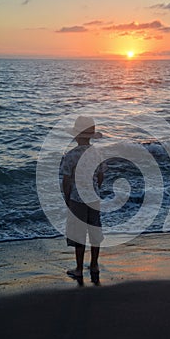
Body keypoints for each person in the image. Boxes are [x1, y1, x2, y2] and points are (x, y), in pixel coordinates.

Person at [61, 116, 104, 285]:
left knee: (78, 234)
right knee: (95, 231)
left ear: (76, 136)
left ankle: (78, 268)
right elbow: (101, 175)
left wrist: (67, 197)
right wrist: (96, 188)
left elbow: (66, 180)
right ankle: (94, 265)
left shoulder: (71, 155)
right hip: (94, 198)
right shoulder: (97, 153)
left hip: (77, 200)